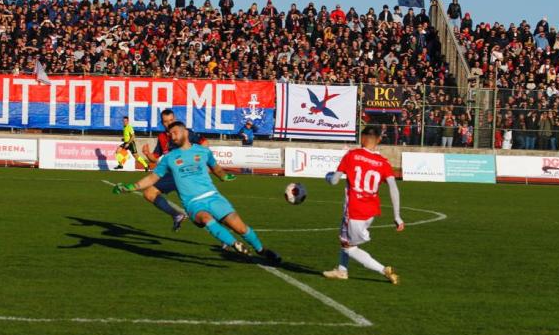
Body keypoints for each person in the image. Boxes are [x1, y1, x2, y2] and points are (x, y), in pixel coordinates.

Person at [114, 121, 281, 263]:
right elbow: (152, 178)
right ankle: (234, 244)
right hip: (193, 203)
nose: (172, 136)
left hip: (214, 197)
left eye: (174, 132)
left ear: (185, 132)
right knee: (206, 219)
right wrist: (131, 187)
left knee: (241, 228)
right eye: (170, 134)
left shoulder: (203, 151)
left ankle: (262, 250)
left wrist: (223, 177)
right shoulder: (170, 158)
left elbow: (216, 168)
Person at [322, 126, 403, 283]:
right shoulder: (383, 162)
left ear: (362, 138)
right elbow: (394, 188)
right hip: (371, 211)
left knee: (348, 246)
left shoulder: (351, 155)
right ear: (379, 140)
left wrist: (328, 177)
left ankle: (383, 270)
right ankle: (341, 271)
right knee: (346, 240)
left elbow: (334, 181)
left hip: (354, 209)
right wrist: (397, 216)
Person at [138, 109, 207, 231]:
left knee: (198, 215)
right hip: (172, 175)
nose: (168, 123)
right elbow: (155, 158)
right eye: (165, 121)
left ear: (174, 119)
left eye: (171, 120)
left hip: (187, 176)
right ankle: (176, 214)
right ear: (162, 122)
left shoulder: (185, 132)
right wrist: (147, 154)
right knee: (149, 193)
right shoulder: (162, 137)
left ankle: (225, 239)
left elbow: (204, 143)